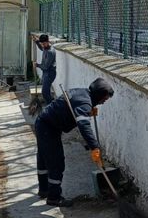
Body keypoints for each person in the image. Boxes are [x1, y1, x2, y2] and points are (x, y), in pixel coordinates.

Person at [34, 77, 114, 207]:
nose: (104, 102)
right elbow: (84, 126)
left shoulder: (83, 93)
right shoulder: (85, 102)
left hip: (44, 123)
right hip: (48, 128)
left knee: (43, 158)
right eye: (104, 99)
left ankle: (44, 190)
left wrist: (89, 111)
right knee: (56, 162)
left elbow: (75, 108)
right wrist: (95, 147)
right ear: (98, 94)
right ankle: (54, 197)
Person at [36, 34, 56, 104]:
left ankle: (50, 106)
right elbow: (41, 48)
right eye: (42, 44)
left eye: (44, 44)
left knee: (44, 92)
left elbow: (45, 66)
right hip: (46, 73)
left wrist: (37, 65)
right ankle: (51, 103)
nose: (43, 45)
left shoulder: (50, 52)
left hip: (50, 73)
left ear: (48, 41)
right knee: (47, 91)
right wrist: (37, 42)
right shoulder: (45, 48)